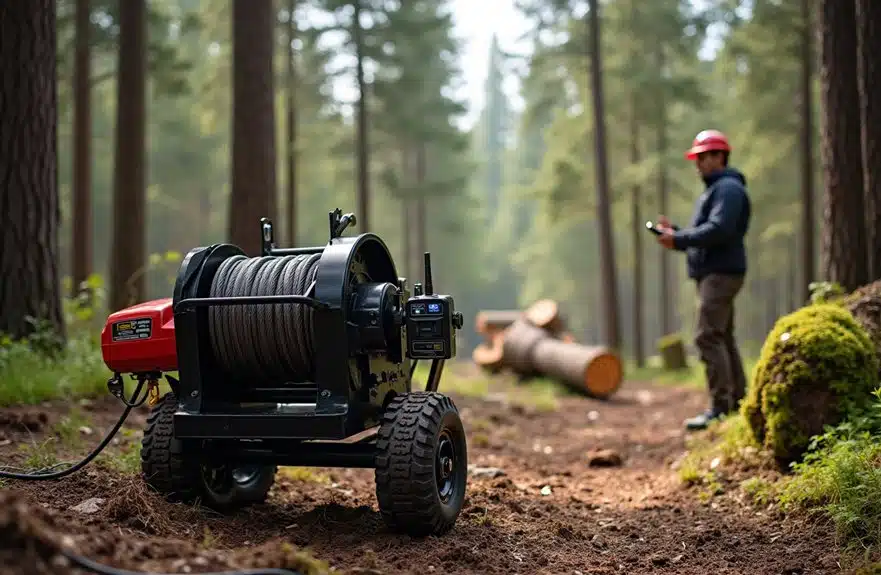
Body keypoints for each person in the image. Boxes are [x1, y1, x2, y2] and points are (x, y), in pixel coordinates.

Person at [655, 129, 752, 431]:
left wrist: (679, 239)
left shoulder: (728, 190)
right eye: (696, 158)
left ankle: (720, 408)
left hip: (721, 274)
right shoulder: (716, 191)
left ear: (719, 156)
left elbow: (719, 230)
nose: (697, 163)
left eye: (702, 157)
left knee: (706, 336)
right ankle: (737, 401)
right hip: (716, 272)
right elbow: (709, 231)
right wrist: (678, 233)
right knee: (722, 336)